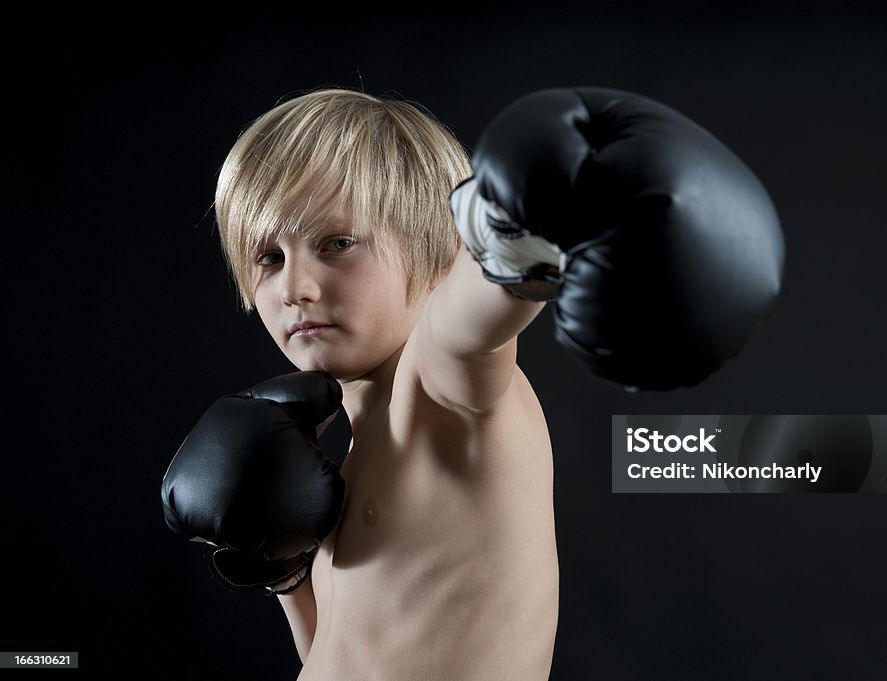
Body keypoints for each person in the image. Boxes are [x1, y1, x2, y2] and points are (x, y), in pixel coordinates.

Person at [161, 86, 784, 680]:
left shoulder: (442, 384)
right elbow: (342, 657)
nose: (296, 287)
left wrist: (515, 228)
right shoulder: (342, 462)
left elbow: (473, 315)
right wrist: (285, 572)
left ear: (439, 248)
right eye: (270, 257)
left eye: (339, 243)